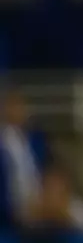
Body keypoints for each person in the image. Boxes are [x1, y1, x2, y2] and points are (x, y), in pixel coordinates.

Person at [0, 92, 51, 231]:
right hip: (13, 208)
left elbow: (48, 170)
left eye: (21, 107)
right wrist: (16, 211)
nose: (18, 111)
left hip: (41, 203)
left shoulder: (37, 139)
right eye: (13, 106)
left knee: (80, 217)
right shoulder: (4, 141)